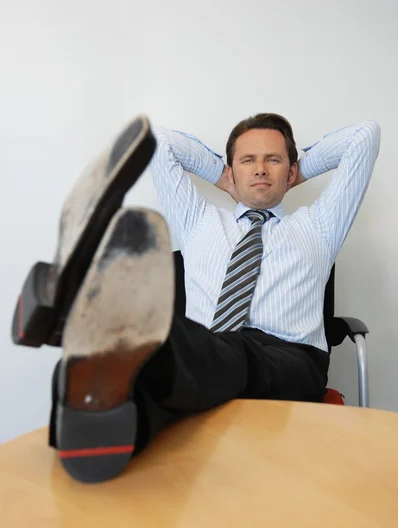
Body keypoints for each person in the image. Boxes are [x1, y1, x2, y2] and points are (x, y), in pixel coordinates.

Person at [49, 112, 381, 482]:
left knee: (189, 349)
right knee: (159, 376)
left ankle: (88, 323)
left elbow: (364, 137)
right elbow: (158, 140)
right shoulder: (199, 222)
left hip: (292, 359)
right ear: (231, 171)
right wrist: (221, 175)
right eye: (247, 160)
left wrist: (297, 167)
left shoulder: (319, 225)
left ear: (290, 172)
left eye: (272, 159)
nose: (260, 169)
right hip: (205, 353)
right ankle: (92, 438)